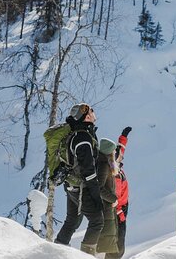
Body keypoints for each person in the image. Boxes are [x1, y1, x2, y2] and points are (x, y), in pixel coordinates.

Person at [54, 103, 104, 255]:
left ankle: (56, 252)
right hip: (82, 189)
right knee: (97, 221)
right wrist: (96, 196)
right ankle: (87, 256)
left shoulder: (75, 134)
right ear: (86, 115)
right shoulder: (83, 138)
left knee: (72, 221)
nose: (94, 113)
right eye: (92, 111)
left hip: (72, 186)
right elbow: (88, 170)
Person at [106, 126, 131, 259]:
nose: (120, 159)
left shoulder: (115, 161)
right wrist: (120, 213)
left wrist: (124, 136)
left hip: (123, 206)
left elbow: (121, 149)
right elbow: (114, 198)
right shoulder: (113, 175)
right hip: (117, 211)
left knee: (118, 242)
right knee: (117, 244)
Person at [96, 138, 119, 255]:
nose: (115, 153)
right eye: (114, 151)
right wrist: (113, 199)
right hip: (105, 208)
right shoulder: (104, 165)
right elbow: (98, 188)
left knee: (106, 242)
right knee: (104, 244)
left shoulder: (104, 163)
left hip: (107, 207)